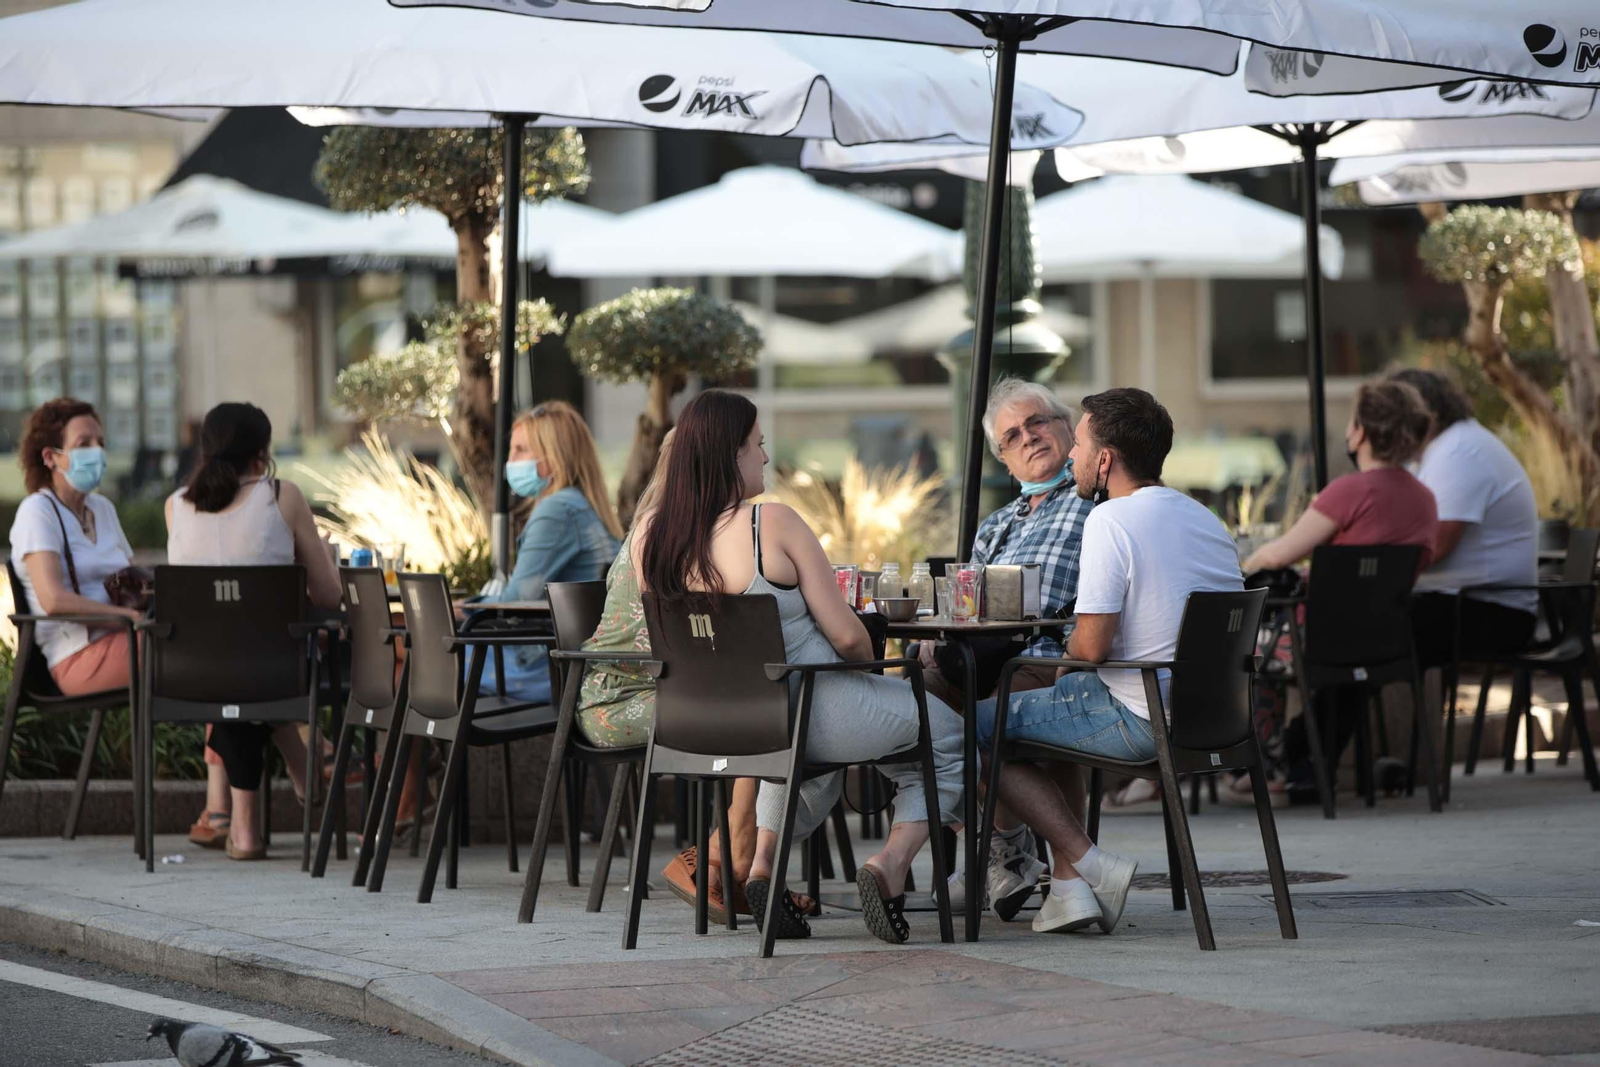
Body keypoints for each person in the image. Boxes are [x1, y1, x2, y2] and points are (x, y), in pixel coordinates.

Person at [634, 389, 964, 944]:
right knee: (950, 735)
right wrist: (871, 664)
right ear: (728, 455)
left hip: (707, 724)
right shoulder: (773, 524)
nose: (764, 457)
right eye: (757, 445)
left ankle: (762, 867)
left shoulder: (650, 536)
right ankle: (890, 865)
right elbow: (846, 637)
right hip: (813, 707)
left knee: (806, 762)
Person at [975, 388, 1243, 935]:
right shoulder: (1205, 520)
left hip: (1144, 720)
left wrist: (1063, 653)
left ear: (1105, 459)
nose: (1069, 456)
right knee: (1033, 708)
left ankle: (1091, 866)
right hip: (1216, 720)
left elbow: (1089, 651)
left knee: (974, 727)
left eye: (1076, 444)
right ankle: (1070, 888)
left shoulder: (1111, 520)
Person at [578, 430, 821, 924]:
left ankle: (738, 859)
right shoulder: (664, 534)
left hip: (670, 689)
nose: (764, 455)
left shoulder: (692, 530)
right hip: (619, 702)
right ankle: (732, 859)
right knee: (764, 708)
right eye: (754, 444)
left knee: (769, 702)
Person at [915, 377, 1093, 918]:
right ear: (1003, 459)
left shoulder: (1096, 502)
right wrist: (932, 630)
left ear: (1067, 428)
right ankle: (997, 841)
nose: (1029, 438)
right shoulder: (995, 525)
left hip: (1051, 658)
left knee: (985, 716)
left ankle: (1025, 854)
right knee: (907, 705)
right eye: (1012, 436)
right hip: (982, 658)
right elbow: (965, 604)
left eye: (1038, 422)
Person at [1241, 378, 1440, 801]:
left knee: (1244, 650)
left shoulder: (1350, 491)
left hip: (1319, 640)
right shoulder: (1425, 498)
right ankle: (1295, 761)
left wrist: (1244, 565)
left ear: (1361, 431)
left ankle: (1270, 764)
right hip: (1389, 639)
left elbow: (1278, 556)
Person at [165, 402, 344, 860]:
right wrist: (316, 559)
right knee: (256, 672)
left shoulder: (175, 507)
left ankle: (245, 830)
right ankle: (300, 764)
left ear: (205, 452)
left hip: (190, 674)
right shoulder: (283, 496)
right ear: (262, 454)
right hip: (275, 670)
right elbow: (327, 596)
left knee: (234, 682)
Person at [472, 401, 622, 704]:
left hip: (551, 668)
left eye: (520, 450)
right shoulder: (583, 505)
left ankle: (398, 752)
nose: (510, 461)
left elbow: (516, 600)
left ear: (553, 459)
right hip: (578, 662)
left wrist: (468, 608)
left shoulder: (558, 510)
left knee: (415, 652)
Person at [1387, 369, 1538, 668]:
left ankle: (1333, 715)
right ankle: (1339, 714)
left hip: (1493, 612)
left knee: (1365, 630)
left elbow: (1435, 545)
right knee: (1361, 628)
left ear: (1426, 413)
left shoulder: (1459, 452)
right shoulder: (1448, 447)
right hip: (1469, 604)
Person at [9, 399, 140, 697]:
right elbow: (53, 600)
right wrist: (125, 617)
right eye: (83, 444)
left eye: (101, 442)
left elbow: (133, 576)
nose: (97, 451)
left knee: (212, 653)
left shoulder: (103, 508)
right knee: (194, 656)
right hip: (77, 656)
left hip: (127, 640)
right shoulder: (38, 511)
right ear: (51, 457)